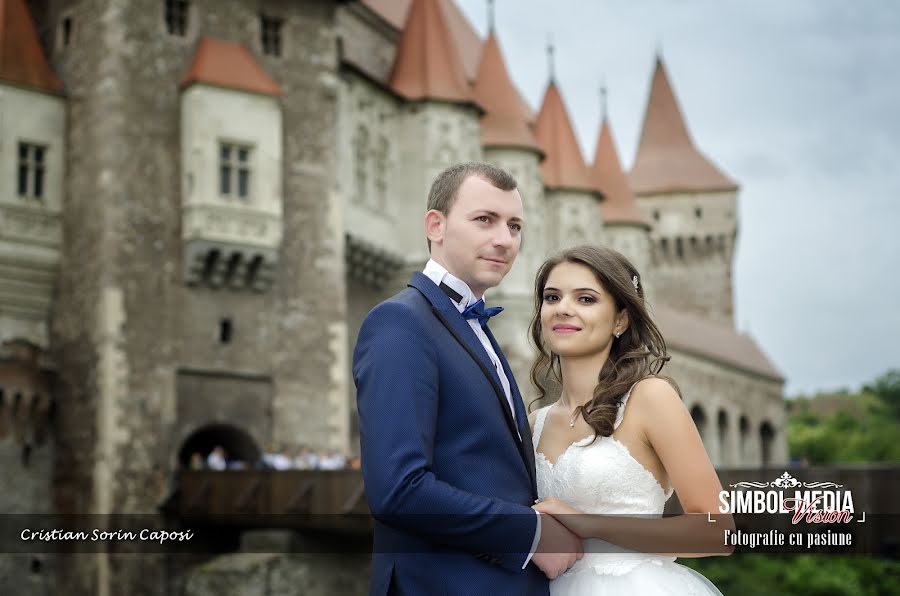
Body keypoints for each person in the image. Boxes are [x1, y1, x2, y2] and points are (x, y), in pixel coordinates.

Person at [353, 162, 583, 596]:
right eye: (484, 220)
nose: (504, 239)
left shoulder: (473, 327)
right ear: (435, 226)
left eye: (515, 226)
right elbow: (398, 491)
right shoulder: (400, 324)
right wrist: (529, 533)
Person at [527, 245, 734, 595]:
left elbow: (718, 531)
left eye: (586, 299)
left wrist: (587, 525)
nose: (563, 308)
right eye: (552, 297)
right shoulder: (534, 424)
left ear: (621, 319)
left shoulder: (650, 399)